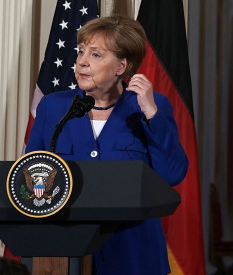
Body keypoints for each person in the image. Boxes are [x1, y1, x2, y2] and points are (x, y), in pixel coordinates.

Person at [26, 15, 188, 275]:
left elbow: (172, 173)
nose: (82, 61)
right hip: (65, 252)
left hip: (133, 254)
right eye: (80, 52)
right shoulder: (54, 107)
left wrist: (151, 114)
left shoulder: (150, 106)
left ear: (121, 66)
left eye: (96, 54)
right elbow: (31, 173)